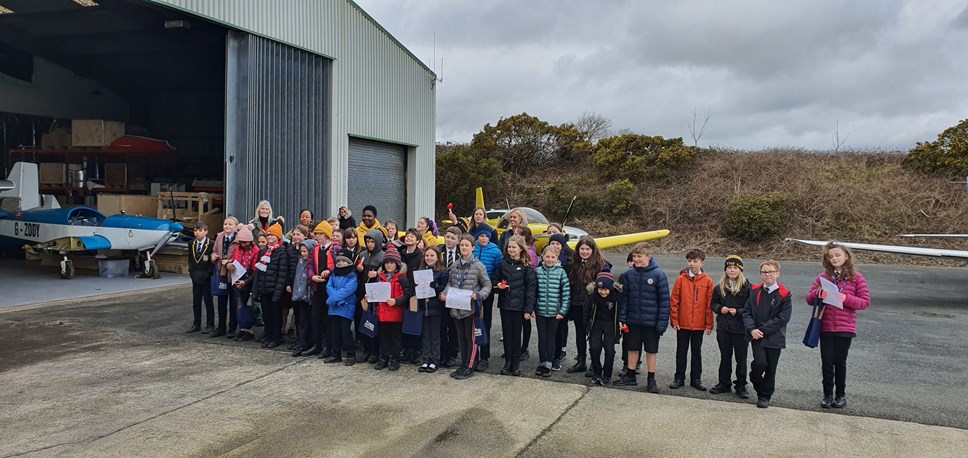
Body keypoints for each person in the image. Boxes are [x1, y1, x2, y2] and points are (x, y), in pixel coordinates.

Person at [805, 243, 871, 409]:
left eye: (837, 255)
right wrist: (818, 293)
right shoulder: (823, 277)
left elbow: (865, 302)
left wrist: (845, 298)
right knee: (827, 362)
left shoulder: (857, 277)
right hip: (826, 326)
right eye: (830, 256)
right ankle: (827, 395)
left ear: (846, 256)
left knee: (840, 362)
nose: (834, 258)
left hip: (845, 327)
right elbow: (809, 299)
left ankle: (840, 395)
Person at [614, 242, 669, 392]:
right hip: (633, 321)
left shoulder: (659, 274)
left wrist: (661, 324)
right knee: (632, 348)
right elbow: (625, 299)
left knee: (651, 351)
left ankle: (651, 379)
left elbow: (664, 301)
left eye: (640, 256)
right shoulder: (629, 275)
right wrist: (622, 319)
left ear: (648, 257)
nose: (636, 259)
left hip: (651, 323)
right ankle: (630, 375)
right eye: (634, 256)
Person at [742, 260, 793, 409]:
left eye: (770, 272)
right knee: (759, 363)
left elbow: (783, 318)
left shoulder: (784, 295)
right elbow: (746, 312)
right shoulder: (755, 291)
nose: (767, 275)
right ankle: (755, 379)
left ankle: (764, 396)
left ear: (777, 274)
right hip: (756, 335)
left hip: (774, 337)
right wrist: (752, 329)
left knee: (771, 368)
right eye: (764, 272)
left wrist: (763, 329)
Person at [441, 234, 491, 380]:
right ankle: (463, 364)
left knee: (471, 339)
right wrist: (444, 294)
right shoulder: (455, 264)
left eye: (466, 245)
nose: (463, 248)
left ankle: (470, 366)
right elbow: (450, 283)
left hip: (470, 309)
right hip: (456, 308)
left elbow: (487, 285)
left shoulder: (478, 265)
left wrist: (479, 295)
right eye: (461, 245)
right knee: (461, 338)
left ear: (473, 248)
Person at [669, 249, 714, 391]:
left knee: (697, 352)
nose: (692, 264)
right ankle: (679, 377)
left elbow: (709, 305)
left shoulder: (708, 281)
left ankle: (696, 379)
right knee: (681, 351)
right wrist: (674, 320)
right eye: (689, 261)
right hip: (683, 323)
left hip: (699, 325)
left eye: (695, 261)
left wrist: (709, 324)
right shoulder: (680, 279)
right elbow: (674, 301)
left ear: (702, 263)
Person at [566, 236, 611, 375]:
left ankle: (594, 363)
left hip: (593, 306)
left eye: (587, 249)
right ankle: (581, 361)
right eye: (582, 249)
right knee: (580, 333)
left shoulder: (601, 265)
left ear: (593, 250)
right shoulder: (574, 262)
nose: (584, 251)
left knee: (593, 335)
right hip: (577, 304)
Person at [709, 255, 752, 399]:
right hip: (724, 328)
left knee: (741, 358)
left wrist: (738, 311)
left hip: (740, 329)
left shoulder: (748, 287)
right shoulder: (720, 287)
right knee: (725, 357)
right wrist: (720, 308)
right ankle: (724, 383)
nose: (732, 270)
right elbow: (713, 303)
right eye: (729, 268)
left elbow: (750, 307)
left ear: (740, 269)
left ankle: (741, 385)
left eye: (735, 268)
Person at [494, 235, 537, 376]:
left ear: (520, 249)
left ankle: (515, 363)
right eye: (509, 247)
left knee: (516, 334)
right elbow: (495, 280)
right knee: (507, 334)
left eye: (514, 247)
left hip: (519, 306)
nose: (511, 250)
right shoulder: (503, 264)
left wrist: (528, 309)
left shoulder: (526, 266)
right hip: (505, 305)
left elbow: (531, 289)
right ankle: (507, 363)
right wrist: (498, 285)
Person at [297, 222, 338, 357]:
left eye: (320, 234)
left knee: (327, 318)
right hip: (317, 287)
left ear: (326, 235)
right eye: (316, 234)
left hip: (329, 288)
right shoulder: (315, 249)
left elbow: (339, 265)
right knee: (315, 317)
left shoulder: (335, 248)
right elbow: (309, 265)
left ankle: (328, 346)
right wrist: (312, 276)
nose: (317, 236)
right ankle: (317, 344)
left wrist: (329, 270)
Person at [370, 245, 411, 371]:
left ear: (397, 264)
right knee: (384, 338)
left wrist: (397, 301)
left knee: (395, 338)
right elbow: (375, 294)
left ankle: (395, 359)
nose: (389, 265)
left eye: (392, 263)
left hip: (395, 314)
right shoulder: (380, 278)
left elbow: (407, 295)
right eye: (386, 263)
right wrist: (369, 296)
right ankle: (384, 358)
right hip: (382, 313)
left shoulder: (402, 279)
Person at [534, 245, 570, 377]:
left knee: (551, 338)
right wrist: (533, 308)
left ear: (557, 258)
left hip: (555, 313)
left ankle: (549, 362)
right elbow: (533, 292)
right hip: (541, 311)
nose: (550, 259)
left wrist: (562, 311)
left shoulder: (561, 272)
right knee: (542, 338)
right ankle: (542, 362)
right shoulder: (537, 271)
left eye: (553, 257)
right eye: (547, 256)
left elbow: (566, 294)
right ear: (542, 257)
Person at [253, 223, 290, 349]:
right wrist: (256, 289)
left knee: (276, 315)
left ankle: (276, 337)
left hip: (275, 289)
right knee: (266, 314)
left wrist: (278, 292)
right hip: (264, 288)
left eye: (273, 235)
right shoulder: (263, 251)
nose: (269, 237)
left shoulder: (281, 252)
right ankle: (268, 335)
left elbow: (282, 274)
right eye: (268, 234)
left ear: (278, 238)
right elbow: (258, 271)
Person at [472, 223, 502, 371]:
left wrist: (493, 284)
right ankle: (473, 354)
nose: (483, 239)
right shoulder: (472, 248)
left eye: (486, 236)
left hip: (486, 293)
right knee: (472, 323)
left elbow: (498, 271)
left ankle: (484, 357)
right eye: (481, 236)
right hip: (471, 292)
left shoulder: (496, 251)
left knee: (485, 323)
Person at [416, 246, 448, 373]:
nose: (429, 258)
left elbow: (444, 289)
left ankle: (435, 360)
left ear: (437, 257)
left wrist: (436, 286)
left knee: (435, 335)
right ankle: (426, 359)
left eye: (432, 256)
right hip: (424, 307)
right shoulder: (421, 271)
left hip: (436, 309)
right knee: (425, 335)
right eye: (427, 256)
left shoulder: (443, 272)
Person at [357, 228, 386, 363]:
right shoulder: (362, 255)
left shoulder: (382, 257)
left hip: (375, 295)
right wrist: (359, 271)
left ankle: (375, 351)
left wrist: (377, 274)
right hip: (363, 294)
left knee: (374, 322)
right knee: (363, 322)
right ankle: (366, 349)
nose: (369, 244)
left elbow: (387, 275)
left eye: (372, 242)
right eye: (367, 241)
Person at [585, 272, 620, 386]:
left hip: (610, 324)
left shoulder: (617, 297)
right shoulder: (592, 296)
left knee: (609, 350)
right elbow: (586, 312)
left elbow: (621, 313)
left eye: (606, 289)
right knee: (594, 347)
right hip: (596, 323)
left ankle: (607, 374)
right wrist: (587, 326)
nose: (603, 292)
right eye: (600, 289)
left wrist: (619, 329)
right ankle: (597, 371)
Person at [325, 254, 360, 365]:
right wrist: (336, 299)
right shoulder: (334, 274)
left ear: (349, 262)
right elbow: (329, 287)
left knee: (345, 331)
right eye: (338, 261)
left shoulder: (352, 275)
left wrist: (335, 299)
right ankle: (336, 354)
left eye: (343, 261)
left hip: (346, 305)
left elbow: (348, 290)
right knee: (334, 331)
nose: (340, 263)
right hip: (335, 306)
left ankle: (351, 354)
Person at [547, 232, 574, 370]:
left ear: (562, 246)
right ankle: (547, 357)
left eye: (558, 244)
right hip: (546, 304)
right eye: (552, 243)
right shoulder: (544, 262)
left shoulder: (568, 262)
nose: (555, 246)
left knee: (559, 331)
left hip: (561, 303)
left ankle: (557, 356)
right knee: (547, 333)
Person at [229, 226, 260, 342]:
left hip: (249, 280)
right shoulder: (238, 248)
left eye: (245, 242)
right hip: (237, 278)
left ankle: (249, 329)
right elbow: (235, 261)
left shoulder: (255, 250)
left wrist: (246, 282)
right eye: (241, 242)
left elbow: (255, 270)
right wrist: (229, 264)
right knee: (239, 305)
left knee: (248, 306)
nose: (243, 244)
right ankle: (242, 328)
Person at [438, 226, 462, 367]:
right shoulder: (438, 251)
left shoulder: (462, 253)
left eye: (453, 238)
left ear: (458, 240)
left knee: (454, 326)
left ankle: (452, 354)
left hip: (455, 294)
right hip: (440, 293)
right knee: (441, 325)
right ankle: (442, 353)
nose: (449, 240)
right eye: (447, 237)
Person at [210, 216, 239, 338]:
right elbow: (215, 250)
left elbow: (241, 253)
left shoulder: (238, 238)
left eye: (230, 224)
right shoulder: (220, 236)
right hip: (221, 272)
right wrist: (213, 255)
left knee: (233, 302)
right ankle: (221, 327)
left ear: (236, 226)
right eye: (225, 224)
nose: (227, 226)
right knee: (221, 301)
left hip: (233, 273)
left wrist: (229, 261)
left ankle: (232, 328)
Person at [399, 228, 424, 364]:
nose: (409, 239)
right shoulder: (400, 254)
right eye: (407, 236)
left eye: (412, 237)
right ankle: (406, 348)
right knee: (402, 320)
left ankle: (415, 349)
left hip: (415, 293)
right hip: (401, 291)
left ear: (418, 240)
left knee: (414, 320)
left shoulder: (421, 256)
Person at [289, 237, 317, 355]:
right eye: (302, 251)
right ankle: (301, 343)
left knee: (308, 321)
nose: (303, 253)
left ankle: (306, 344)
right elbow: (298, 278)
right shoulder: (300, 262)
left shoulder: (312, 263)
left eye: (305, 251)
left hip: (309, 296)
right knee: (301, 321)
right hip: (299, 295)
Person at [187, 221, 215, 334]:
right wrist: (191, 272)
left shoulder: (211, 244)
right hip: (195, 276)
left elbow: (212, 262)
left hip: (206, 277)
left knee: (208, 301)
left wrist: (208, 273)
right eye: (195, 231)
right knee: (196, 301)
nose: (197, 233)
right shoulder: (191, 243)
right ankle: (196, 323)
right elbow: (190, 260)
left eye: (200, 230)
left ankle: (210, 324)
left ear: (206, 232)